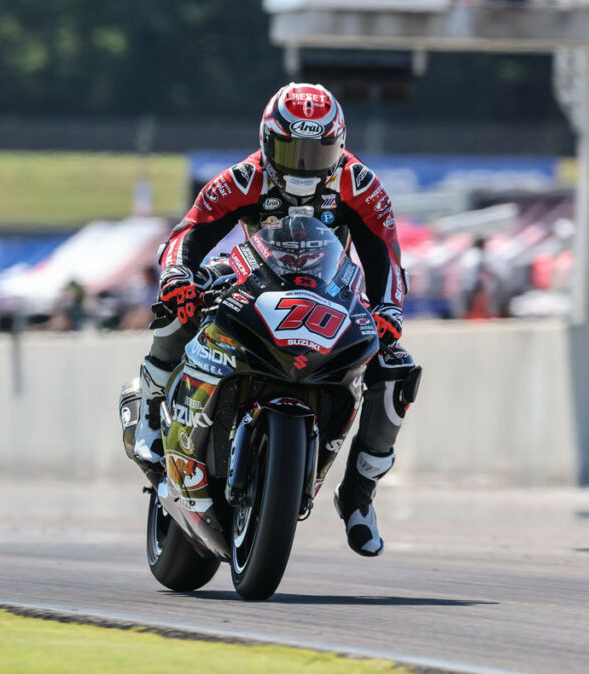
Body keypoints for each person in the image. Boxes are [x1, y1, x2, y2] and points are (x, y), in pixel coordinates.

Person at [122, 82, 419, 557]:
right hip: (252, 276)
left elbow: (386, 256)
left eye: (316, 152)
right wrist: (178, 273)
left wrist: (388, 313)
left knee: (397, 368)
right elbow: (190, 231)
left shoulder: (361, 185)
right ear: (266, 142)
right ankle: (153, 415)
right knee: (181, 303)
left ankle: (359, 496)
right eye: (289, 150)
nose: (302, 165)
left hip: (327, 291)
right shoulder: (243, 178)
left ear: (339, 148)